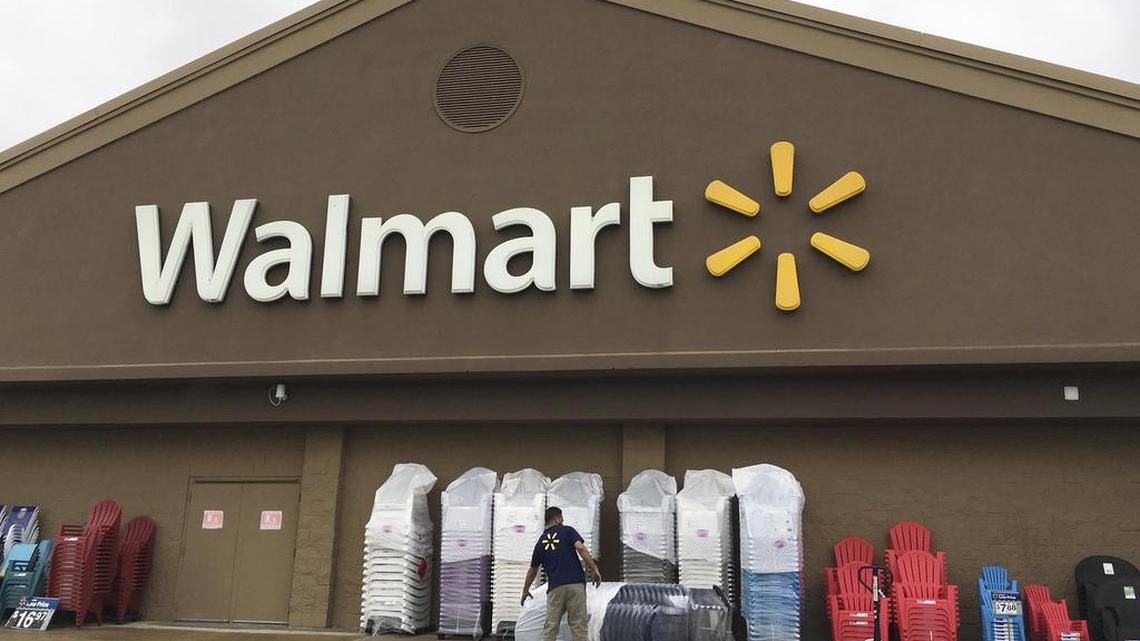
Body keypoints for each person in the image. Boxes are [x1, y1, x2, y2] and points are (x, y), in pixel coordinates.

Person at [520, 506, 602, 641]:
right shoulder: (568, 531)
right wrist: (594, 569)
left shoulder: (540, 542)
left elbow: (532, 571)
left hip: (555, 588)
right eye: (562, 519)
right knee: (578, 625)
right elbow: (580, 548)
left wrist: (525, 590)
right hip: (576, 585)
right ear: (557, 519)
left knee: (551, 626)